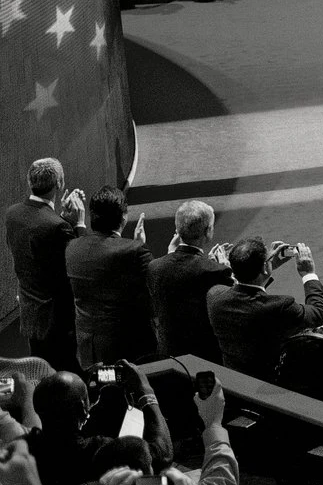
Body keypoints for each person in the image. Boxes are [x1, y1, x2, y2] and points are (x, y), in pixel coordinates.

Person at [206, 237, 323, 380]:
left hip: (235, 379)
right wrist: (308, 274)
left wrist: (267, 268)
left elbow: (243, 295)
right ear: (263, 267)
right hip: (272, 380)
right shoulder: (279, 306)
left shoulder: (214, 296)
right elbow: (319, 313)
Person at [65, 187, 158, 370]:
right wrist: (140, 244)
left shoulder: (72, 247)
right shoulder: (135, 251)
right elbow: (155, 289)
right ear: (123, 217)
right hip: (128, 350)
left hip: (87, 347)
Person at [6, 157, 78, 370]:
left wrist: (62, 219)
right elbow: (74, 266)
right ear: (59, 183)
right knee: (63, 372)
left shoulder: (13, 214)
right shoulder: (58, 227)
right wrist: (76, 225)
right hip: (57, 321)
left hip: (30, 314)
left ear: (30, 182)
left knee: (38, 370)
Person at [146, 200, 232, 363]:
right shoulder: (216, 271)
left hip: (168, 356)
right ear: (208, 231)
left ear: (177, 230)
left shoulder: (154, 267)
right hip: (206, 358)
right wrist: (224, 269)